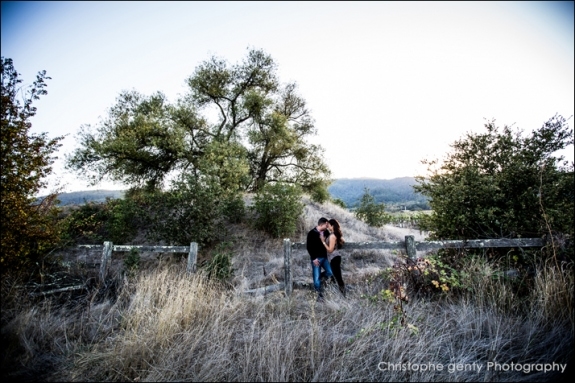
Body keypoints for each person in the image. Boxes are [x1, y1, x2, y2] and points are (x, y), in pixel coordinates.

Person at [306, 217, 334, 301]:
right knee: (316, 280)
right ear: (322, 224)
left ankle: (318, 277)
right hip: (316, 259)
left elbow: (330, 240)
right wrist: (314, 258)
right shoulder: (311, 233)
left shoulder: (326, 232)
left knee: (331, 272)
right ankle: (319, 296)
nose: (327, 226)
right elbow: (309, 247)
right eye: (326, 224)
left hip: (324, 258)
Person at [320, 218, 346, 297]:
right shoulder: (334, 234)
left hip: (334, 258)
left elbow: (330, 250)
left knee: (337, 277)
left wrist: (323, 242)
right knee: (334, 276)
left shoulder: (332, 236)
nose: (327, 227)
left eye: (329, 225)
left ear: (332, 225)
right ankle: (337, 294)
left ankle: (343, 295)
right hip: (334, 258)